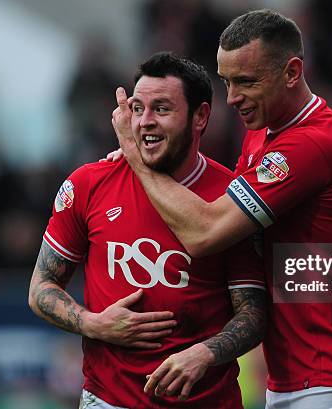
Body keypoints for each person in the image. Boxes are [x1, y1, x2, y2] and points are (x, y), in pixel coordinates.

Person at [111, 9, 332, 408]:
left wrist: (136, 156)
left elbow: (204, 233)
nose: (231, 97)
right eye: (226, 81)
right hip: (297, 373)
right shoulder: (263, 132)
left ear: (291, 72)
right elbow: (221, 210)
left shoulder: (310, 143)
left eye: (245, 81)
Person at [29, 52, 266, 409]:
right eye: (138, 109)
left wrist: (204, 354)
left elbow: (255, 312)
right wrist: (93, 323)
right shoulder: (89, 184)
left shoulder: (231, 198)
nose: (145, 122)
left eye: (162, 109)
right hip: (108, 400)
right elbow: (41, 289)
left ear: (200, 117)